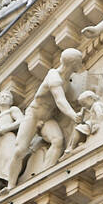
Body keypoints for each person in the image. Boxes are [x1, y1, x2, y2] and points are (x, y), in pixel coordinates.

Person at [7, 48, 88, 188]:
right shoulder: (54, 76)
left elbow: (71, 100)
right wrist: (73, 115)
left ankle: (45, 174)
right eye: (78, 61)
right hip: (34, 115)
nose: (80, 64)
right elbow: (60, 100)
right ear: (72, 63)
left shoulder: (67, 82)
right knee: (20, 149)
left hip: (47, 119)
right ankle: (10, 185)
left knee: (57, 140)